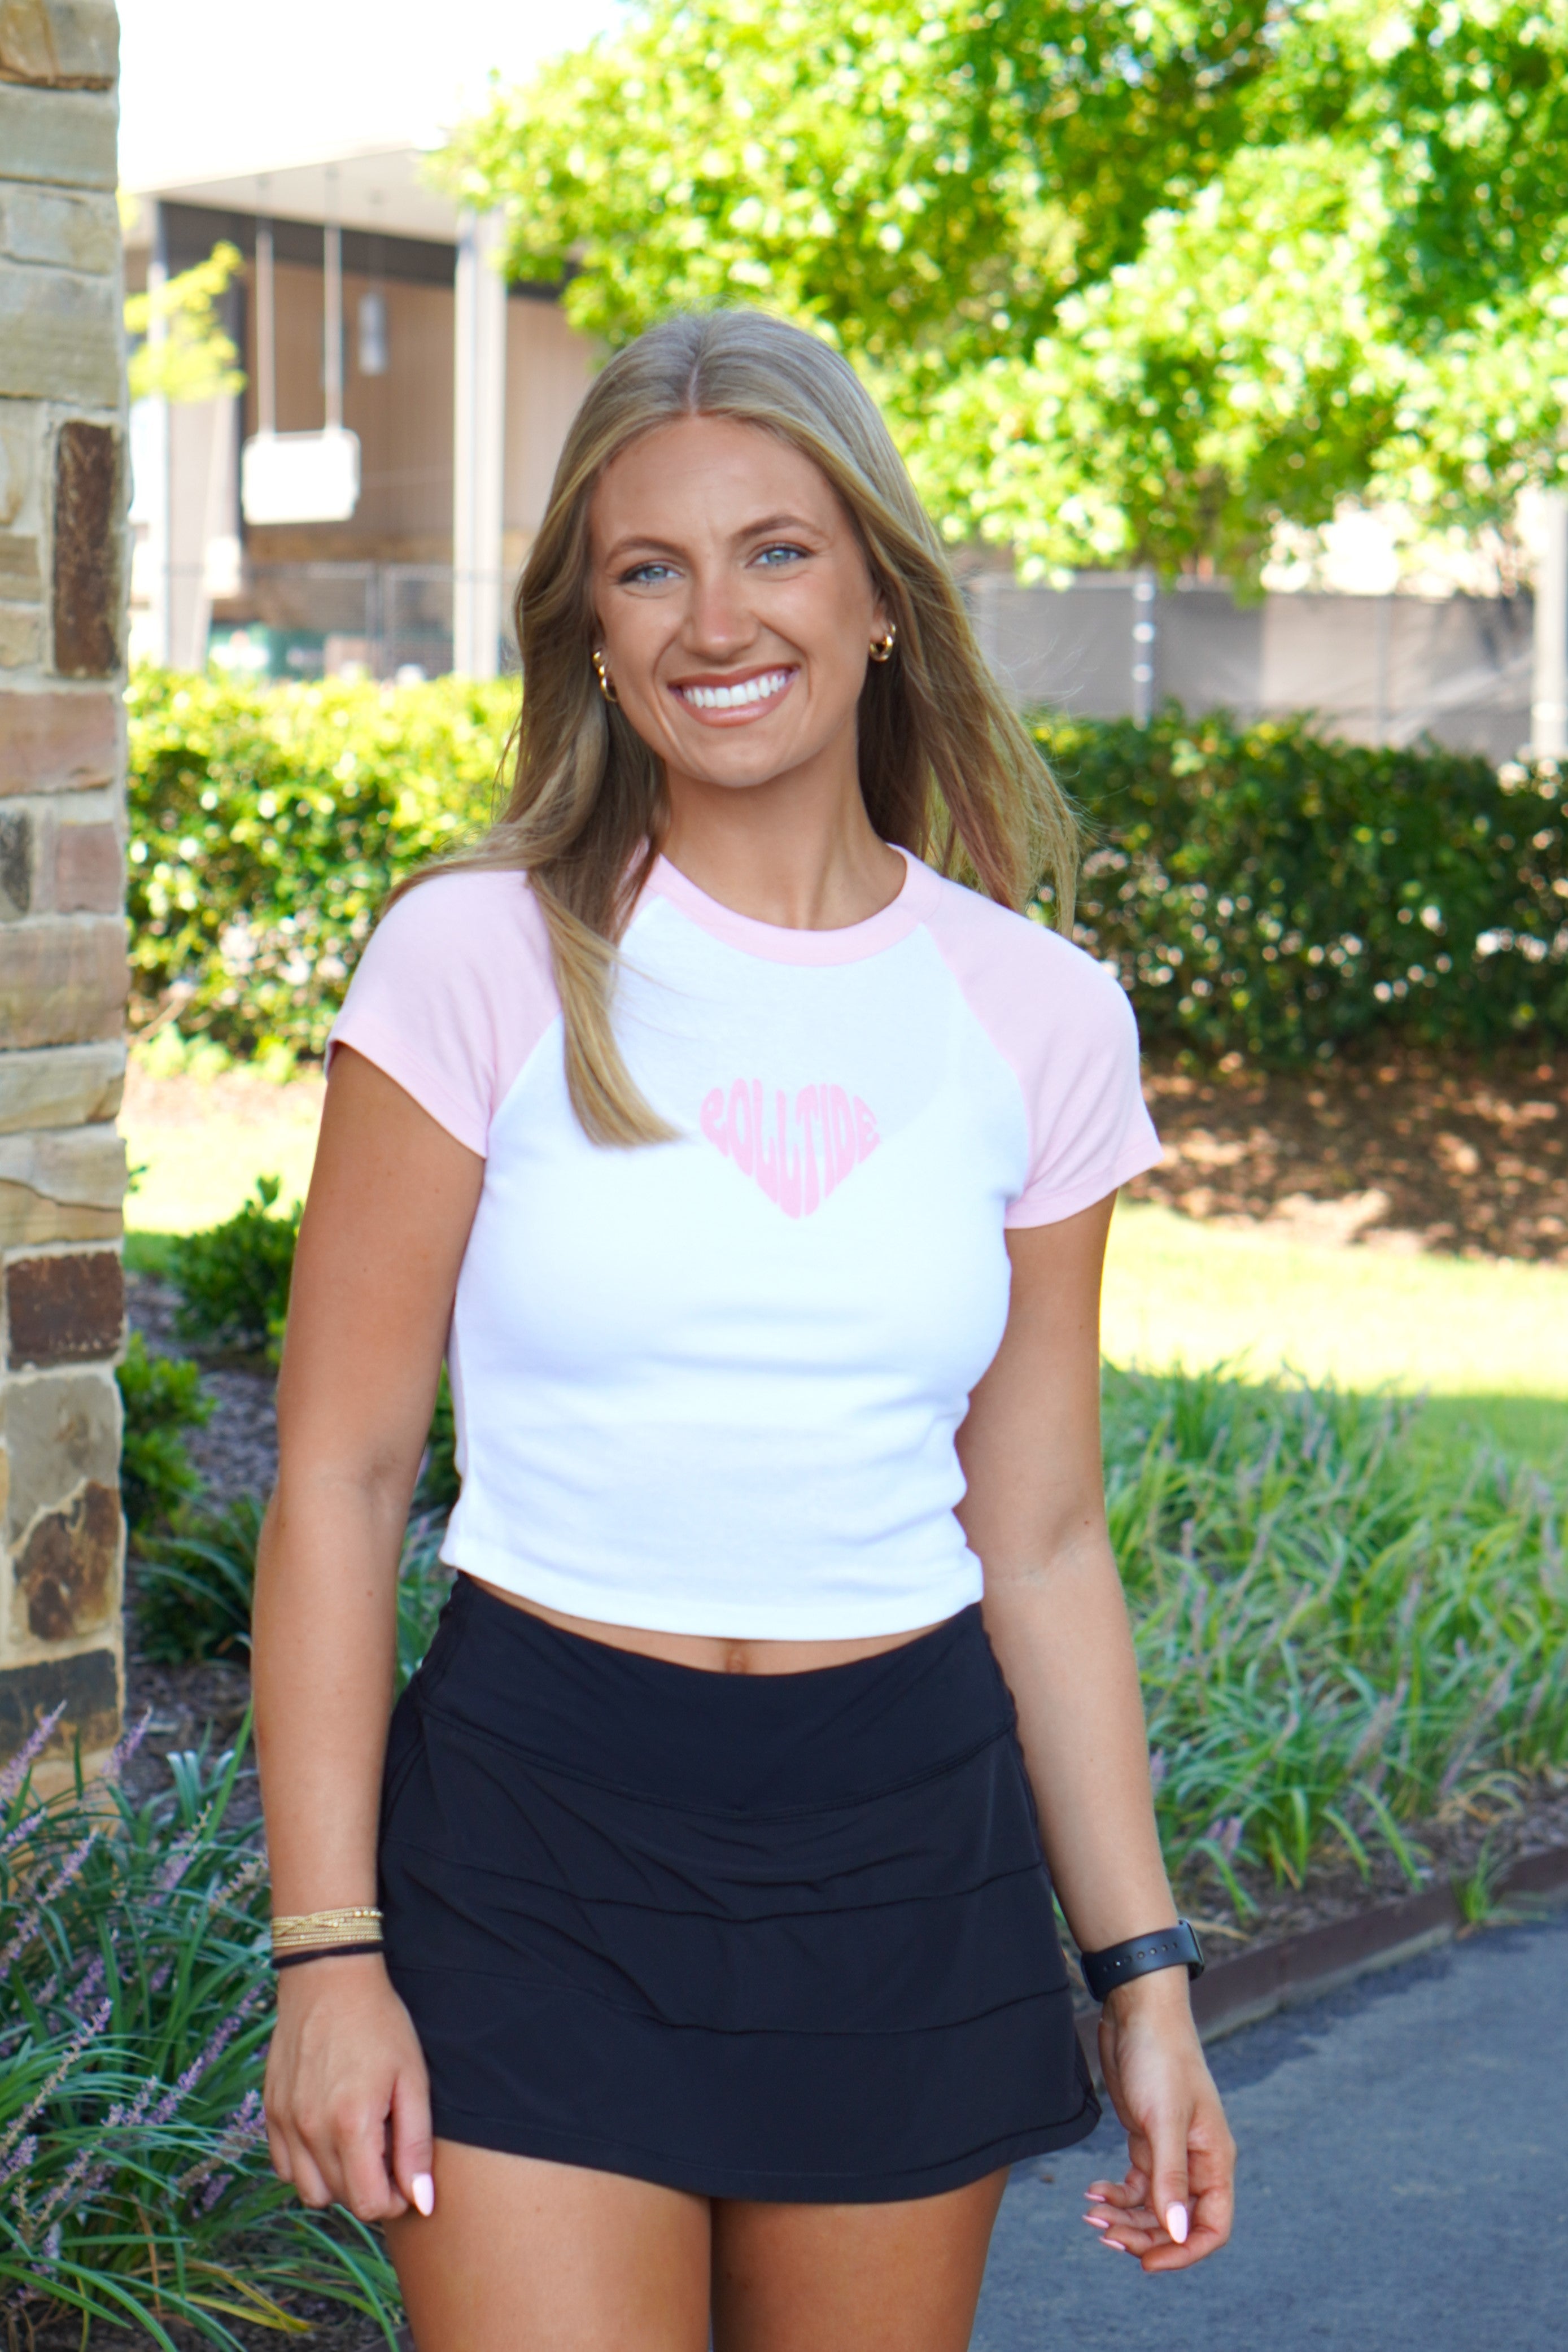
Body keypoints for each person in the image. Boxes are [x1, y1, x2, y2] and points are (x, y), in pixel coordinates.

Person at [253, 308, 1235, 2352]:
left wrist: (1145, 1980)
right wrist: (326, 1954)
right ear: (594, 634)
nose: (717, 620)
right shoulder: (476, 958)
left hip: (901, 1849)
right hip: (532, 1838)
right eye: (650, 568)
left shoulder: (1039, 1016)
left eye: (775, 550)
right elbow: (339, 1478)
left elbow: (1043, 1535)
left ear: (878, 594)